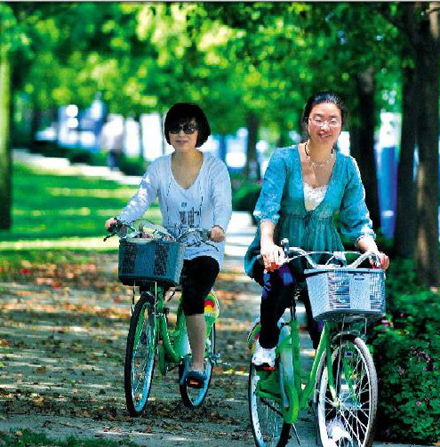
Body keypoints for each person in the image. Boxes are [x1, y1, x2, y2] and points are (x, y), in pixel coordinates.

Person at [244, 91, 390, 368]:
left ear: (341, 125)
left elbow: (357, 219)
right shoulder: (283, 159)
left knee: (324, 325)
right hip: (283, 249)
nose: (325, 127)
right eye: (318, 119)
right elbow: (268, 207)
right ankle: (267, 341)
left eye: (333, 120)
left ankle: (330, 394)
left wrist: (373, 252)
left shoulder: (348, 168)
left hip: (324, 254)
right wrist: (267, 244)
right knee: (283, 283)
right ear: (307, 122)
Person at [105, 103, 232, 388]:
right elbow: (142, 197)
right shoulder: (159, 167)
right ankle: (153, 331)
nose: (181, 133)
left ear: (200, 132)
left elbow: (223, 202)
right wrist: (121, 219)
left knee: (193, 295)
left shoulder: (215, 168)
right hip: (170, 246)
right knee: (150, 288)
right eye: (175, 128)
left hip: (204, 245)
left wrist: (219, 227)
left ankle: (197, 364)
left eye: (189, 127)